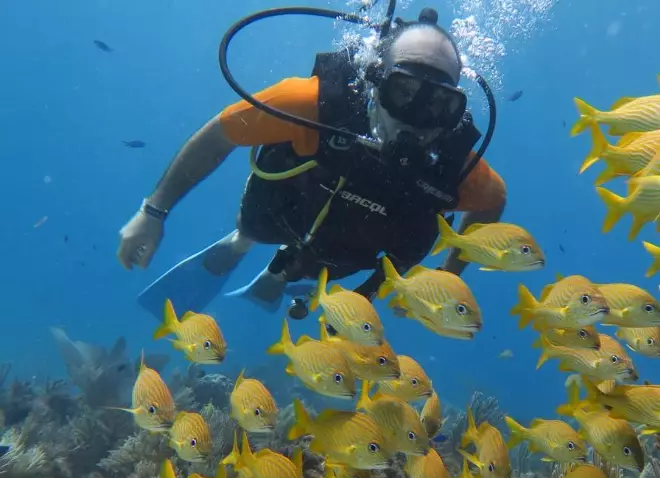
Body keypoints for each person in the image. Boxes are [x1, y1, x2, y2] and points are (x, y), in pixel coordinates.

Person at [120, 7, 506, 320]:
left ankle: (295, 272)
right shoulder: (312, 103)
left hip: (349, 251)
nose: (417, 118)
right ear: (374, 82)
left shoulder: (455, 164)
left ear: (456, 109)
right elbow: (219, 135)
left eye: (439, 105)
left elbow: (492, 202)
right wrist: (153, 212)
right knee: (255, 224)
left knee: (346, 255)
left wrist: (449, 276)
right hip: (280, 214)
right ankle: (243, 243)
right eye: (403, 92)